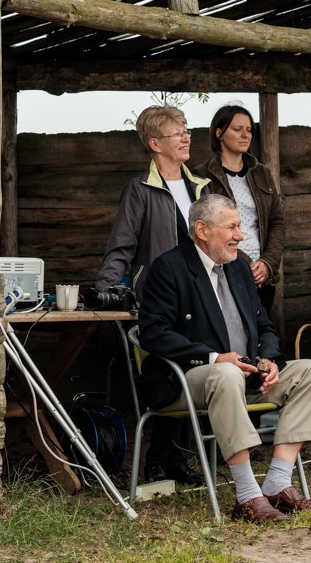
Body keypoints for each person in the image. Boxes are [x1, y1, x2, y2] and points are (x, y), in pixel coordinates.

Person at [138, 194, 311, 522]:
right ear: (202, 230)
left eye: (239, 227)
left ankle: (277, 483)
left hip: (248, 375)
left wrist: (268, 360)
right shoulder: (169, 268)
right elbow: (153, 333)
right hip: (185, 380)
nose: (240, 236)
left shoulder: (239, 267)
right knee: (226, 374)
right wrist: (213, 358)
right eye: (232, 227)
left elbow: (264, 326)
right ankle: (247, 495)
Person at [95, 105, 210, 486]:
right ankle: (158, 462)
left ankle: (177, 460)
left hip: (200, 297)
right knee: (167, 377)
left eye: (187, 130)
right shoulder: (140, 190)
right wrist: (104, 290)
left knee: (197, 369)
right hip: (159, 301)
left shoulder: (201, 188)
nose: (187, 138)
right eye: (178, 133)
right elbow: (121, 247)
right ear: (155, 143)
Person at [193, 105, 285, 316]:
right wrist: (246, 264)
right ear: (219, 133)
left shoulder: (262, 173)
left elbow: (277, 221)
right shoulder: (202, 176)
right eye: (237, 129)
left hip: (263, 274)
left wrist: (267, 263)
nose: (245, 135)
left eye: (249, 130)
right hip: (225, 271)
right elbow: (205, 229)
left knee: (261, 329)